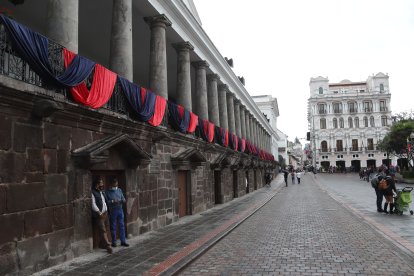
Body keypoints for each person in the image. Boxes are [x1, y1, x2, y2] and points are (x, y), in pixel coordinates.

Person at [91, 178, 112, 254]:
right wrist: (99, 213)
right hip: (100, 215)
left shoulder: (102, 192)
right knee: (102, 230)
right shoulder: (93, 193)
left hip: (105, 213)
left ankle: (101, 244)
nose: (102, 185)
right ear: (97, 185)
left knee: (106, 228)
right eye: (101, 183)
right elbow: (93, 204)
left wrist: (107, 211)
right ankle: (108, 246)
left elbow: (105, 202)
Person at [106, 178, 129, 247]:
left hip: (120, 209)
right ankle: (114, 242)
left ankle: (123, 241)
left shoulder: (119, 190)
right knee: (113, 226)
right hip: (113, 210)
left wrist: (123, 200)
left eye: (116, 183)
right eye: (114, 183)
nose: (116, 184)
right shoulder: (107, 192)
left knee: (122, 225)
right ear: (111, 184)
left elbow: (123, 198)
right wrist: (113, 201)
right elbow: (107, 202)